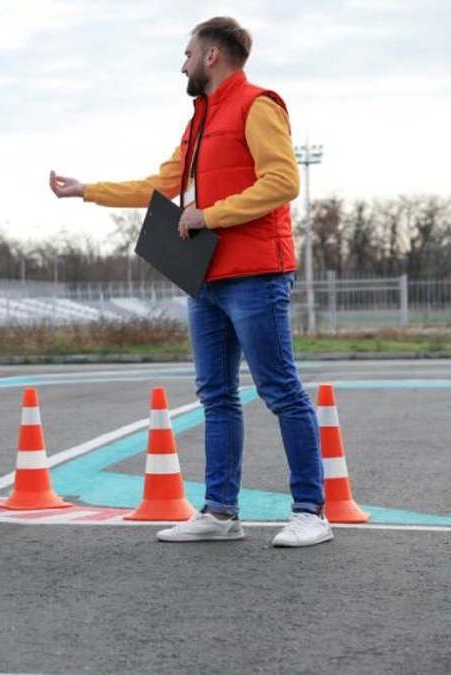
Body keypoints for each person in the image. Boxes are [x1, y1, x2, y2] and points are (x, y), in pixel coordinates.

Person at [48, 16, 331, 547]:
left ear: (211, 57)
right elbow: (163, 183)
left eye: (187, 53)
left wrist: (211, 214)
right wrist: (87, 190)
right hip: (206, 279)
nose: (182, 63)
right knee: (216, 396)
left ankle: (310, 511)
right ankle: (221, 513)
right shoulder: (199, 120)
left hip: (255, 274)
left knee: (280, 390)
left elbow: (283, 181)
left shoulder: (258, 104)